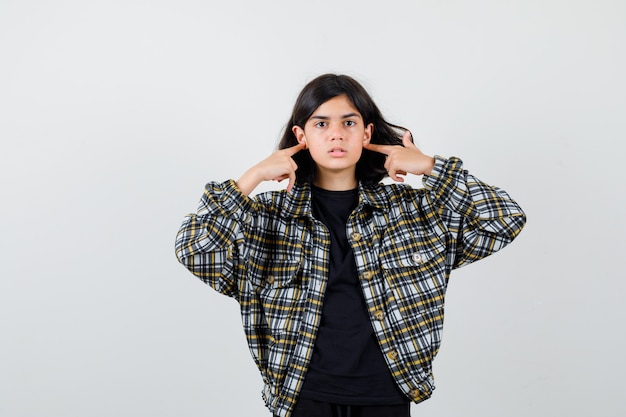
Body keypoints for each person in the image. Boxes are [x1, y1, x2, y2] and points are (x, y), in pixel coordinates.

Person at [175, 73, 526, 417]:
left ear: (367, 133)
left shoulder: (415, 212)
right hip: (302, 395)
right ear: (301, 136)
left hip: (386, 392)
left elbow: (504, 218)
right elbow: (195, 250)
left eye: (349, 122)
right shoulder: (267, 218)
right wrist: (250, 178)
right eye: (321, 124)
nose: (337, 135)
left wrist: (431, 168)